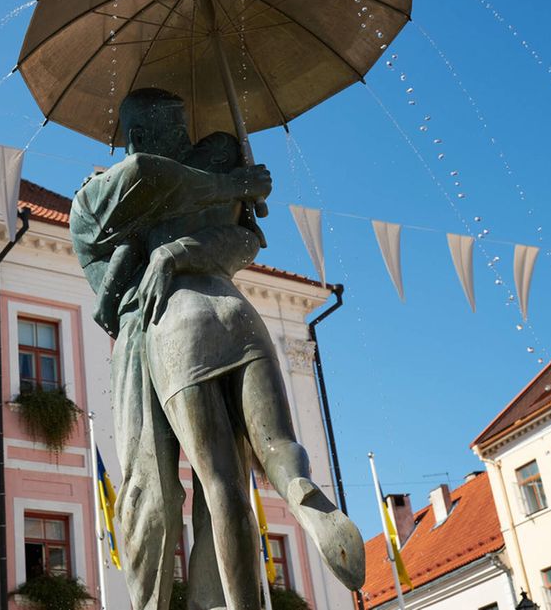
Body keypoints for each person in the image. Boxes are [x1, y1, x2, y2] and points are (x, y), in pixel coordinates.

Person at [71, 89, 364, 610]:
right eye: (176, 130)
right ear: (152, 134)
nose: (185, 141)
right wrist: (233, 187)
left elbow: (242, 235)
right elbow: (155, 179)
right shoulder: (104, 196)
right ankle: (299, 495)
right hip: (234, 310)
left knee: (160, 493)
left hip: (160, 331)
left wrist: (182, 242)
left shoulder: (105, 202)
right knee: (271, 452)